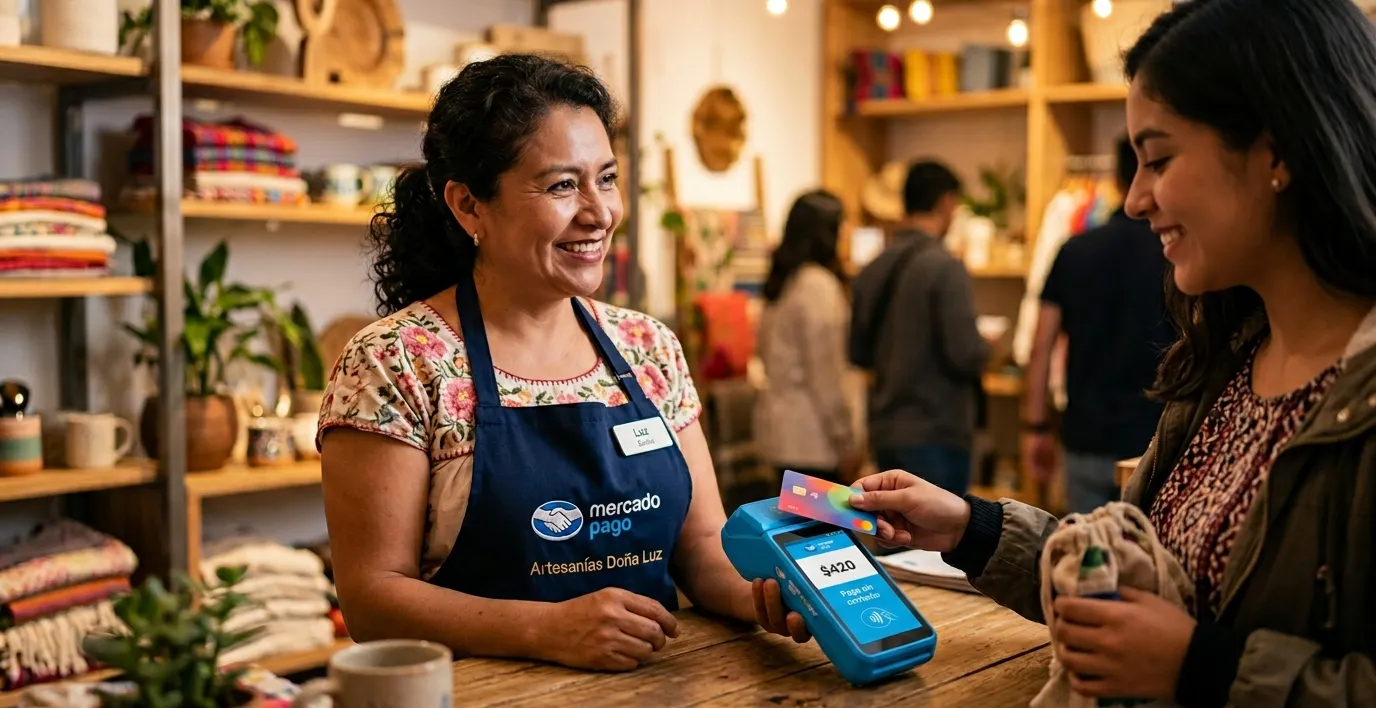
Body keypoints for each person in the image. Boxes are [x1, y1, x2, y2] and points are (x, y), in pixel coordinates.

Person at [843, 0, 1376, 708]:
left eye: (1158, 159)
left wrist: (1201, 668)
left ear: (1276, 151)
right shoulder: (1224, 370)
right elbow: (1127, 585)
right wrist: (970, 528)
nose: (1132, 199)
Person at [317, 54, 809, 674]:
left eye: (606, 178)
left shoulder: (647, 347)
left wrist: (772, 598)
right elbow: (371, 599)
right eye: (561, 186)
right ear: (470, 206)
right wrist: (546, 628)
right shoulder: (396, 361)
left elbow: (702, 549)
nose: (599, 212)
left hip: (663, 696)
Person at [1023, 136, 1175, 514]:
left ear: (1116, 178)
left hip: (1086, 435)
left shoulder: (1076, 250)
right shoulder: (1176, 254)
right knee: (1144, 563)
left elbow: (1041, 344)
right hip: (1153, 440)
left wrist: (1036, 426)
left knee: (1084, 562)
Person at [849, 160, 988, 495]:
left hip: (885, 430)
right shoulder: (945, 267)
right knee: (938, 542)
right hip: (937, 432)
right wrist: (990, 347)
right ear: (946, 203)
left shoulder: (871, 268)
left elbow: (857, 352)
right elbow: (965, 353)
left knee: (893, 537)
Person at [754, 190, 861, 486]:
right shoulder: (818, 286)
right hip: (813, 440)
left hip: (781, 435)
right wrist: (846, 440)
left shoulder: (783, 280)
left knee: (794, 531)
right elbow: (826, 376)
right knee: (822, 532)